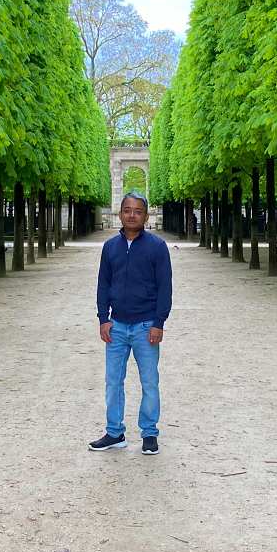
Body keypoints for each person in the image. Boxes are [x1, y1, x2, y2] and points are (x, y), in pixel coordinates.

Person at [89, 191, 172, 456]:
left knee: (149, 382)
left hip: (146, 326)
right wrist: (103, 318)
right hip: (117, 326)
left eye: (137, 211)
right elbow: (103, 284)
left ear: (145, 216)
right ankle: (115, 433)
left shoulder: (157, 247)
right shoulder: (110, 247)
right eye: (127, 210)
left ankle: (149, 433)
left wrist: (159, 322)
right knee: (113, 382)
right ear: (120, 213)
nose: (132, 215)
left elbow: (165, 288)